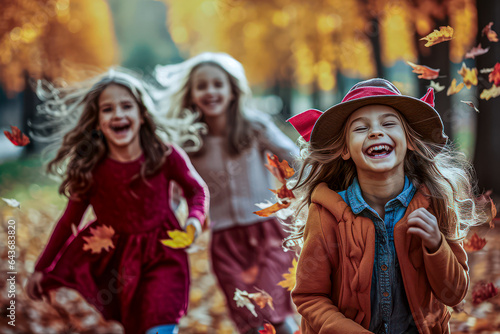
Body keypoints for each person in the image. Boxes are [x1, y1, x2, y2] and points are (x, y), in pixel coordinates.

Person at [286, 78, 489, 333]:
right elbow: (310, 297)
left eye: (388, 123)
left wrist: (436, 245)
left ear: (410, 141)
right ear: (345, 149)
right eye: (360, 128)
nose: (375, 132)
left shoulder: (434, 203)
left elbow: (454, 294)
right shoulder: (326, 214)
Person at [26, 68, 209, 334]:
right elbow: (69, 221)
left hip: (164, 253)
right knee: (136, 325)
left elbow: (196, 190)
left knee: (161, 321)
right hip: (118, 263)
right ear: (97, 119)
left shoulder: (165, 155)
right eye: (108, 109)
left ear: (141, 114)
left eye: (127, 106)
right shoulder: (90, 167)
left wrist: (193, 221)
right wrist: (41, 267)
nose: (119, 114)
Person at [155, 52, 299, 334]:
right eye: (202, 86)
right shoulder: (189, 141)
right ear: (191, 94)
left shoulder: (254, 127)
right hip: (225, 243)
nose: (211, 91)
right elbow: (173, 193)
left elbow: (293, 157)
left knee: (273, 313)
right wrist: (165, 227)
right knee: (247, 319)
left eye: (218, 84)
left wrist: (318, 183)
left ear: (233, 90)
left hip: (268, 233)